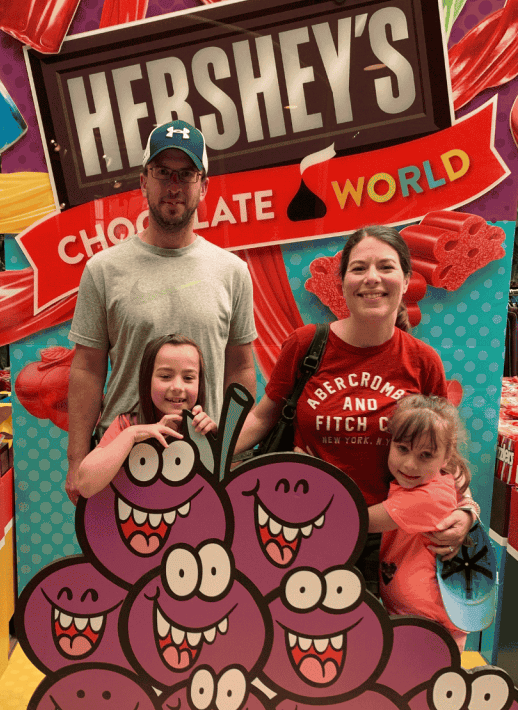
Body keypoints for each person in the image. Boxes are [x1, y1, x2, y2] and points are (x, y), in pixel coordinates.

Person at [234, 225, 477, 592]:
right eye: (359, 268)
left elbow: (444, 451)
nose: (372, 278)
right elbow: (261, 417)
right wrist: (204, 457)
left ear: (406, 279)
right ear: (343, 281)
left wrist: (466, 511)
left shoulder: (422, 361)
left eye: (386, 267)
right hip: (298, 527)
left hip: (385, 539)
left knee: (370, 642)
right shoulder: (306, 345)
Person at [65, 119, 257, 504]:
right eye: (162, 172)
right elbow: (86, 368)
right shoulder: (103, 270)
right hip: (121, 463)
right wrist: (77, 461)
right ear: (143, 181)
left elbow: (241, 367)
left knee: (206, 563)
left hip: (206, 461)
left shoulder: (232, 271)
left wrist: (231, 442)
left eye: (186, 174)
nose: (173, 185)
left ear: (203, 186)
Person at [366, 395, 474, 651]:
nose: (410, 464)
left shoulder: (428, 498)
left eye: (426, 456)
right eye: (402, 449)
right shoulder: (428, 484)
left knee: (432, 688)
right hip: (412, 616)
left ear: (446, 458)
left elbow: (358, 521)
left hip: (433, 625)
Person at [76, 334, 217, 499]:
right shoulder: (127, 425)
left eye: (188, 378)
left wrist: (214, 439)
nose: (178, 386)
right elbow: (85, 485)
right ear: (147, 380)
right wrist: (131, 435)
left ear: (199, 384)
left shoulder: (205, 430)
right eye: (165, 376)